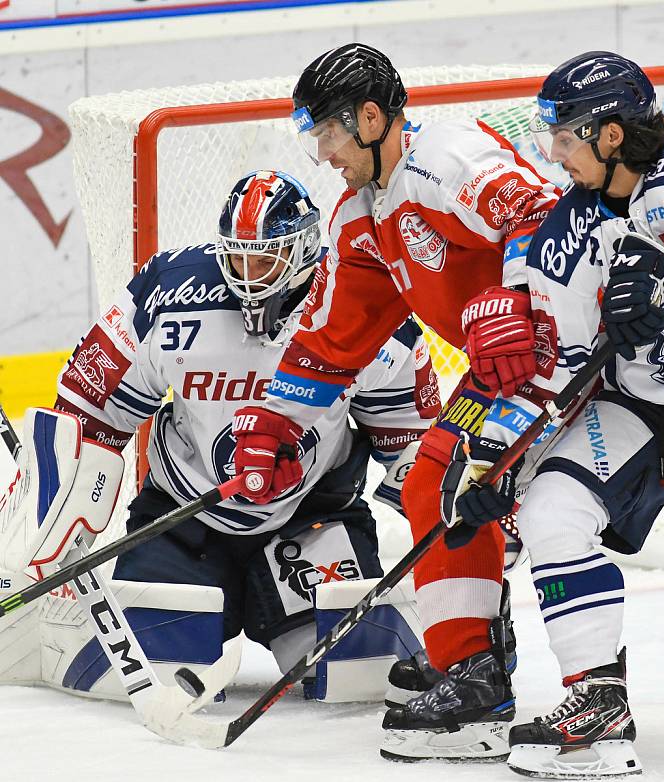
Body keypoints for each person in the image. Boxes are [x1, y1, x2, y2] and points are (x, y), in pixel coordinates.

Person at [460, 51, 664, 778]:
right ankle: (598, 707)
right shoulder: (562, 234)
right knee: (552, 507)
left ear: (610, 134)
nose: (554, 153)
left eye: (566, 135)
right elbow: (552, 365)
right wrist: (493, 455)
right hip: (650, 410)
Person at [225, 43, 561, 759]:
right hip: (509, 370)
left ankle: (480, 673)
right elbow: (330, 338)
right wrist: (274, 424)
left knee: (462, 482)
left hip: (565, 346)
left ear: (371, 117)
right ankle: (471, 661)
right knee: (435, 479)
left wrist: (514, 299)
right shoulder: (362, 214)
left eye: (328, 133)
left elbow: (542, 214)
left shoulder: (448, 157)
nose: (322, 153)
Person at [5, 169, 441, 694]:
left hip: (311, 519)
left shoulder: (360, 299)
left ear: (303, 250)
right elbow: (86, 415)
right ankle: (54, 631)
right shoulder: (170, 291)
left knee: (362, 675)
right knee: (154, 674)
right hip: (182, 519)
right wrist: (59, 541)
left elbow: (414, 442)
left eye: (265, 259)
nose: (248, 275)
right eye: (237, 257)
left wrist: (446, 539)